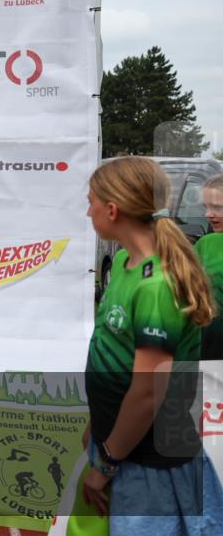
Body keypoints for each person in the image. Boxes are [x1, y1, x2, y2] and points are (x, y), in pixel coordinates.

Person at [82, 156, 223, 530]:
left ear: (112, 210)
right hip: (123, 444)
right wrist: (97, 425)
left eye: (91, 201)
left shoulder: (157, 284)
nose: (87, 211)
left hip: (148, 459)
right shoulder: (128, 261)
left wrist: (107, 462)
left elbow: (148, 393)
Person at [198, 173, 223, 360]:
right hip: (206, 354)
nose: (208, 214)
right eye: (205, 207)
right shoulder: (206, 244)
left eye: (217, 208)